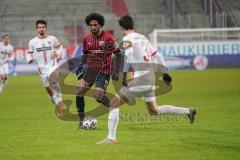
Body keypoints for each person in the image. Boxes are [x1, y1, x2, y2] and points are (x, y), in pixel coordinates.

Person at [96, 15, 197, 144]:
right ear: (133, 26)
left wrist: (124, 75)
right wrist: (165, 73)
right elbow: (158, 55)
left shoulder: (127, 39)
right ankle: (188, 111)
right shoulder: (143, 38)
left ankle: (111, 138)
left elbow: (128, 56)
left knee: (113, 103)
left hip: (141, 78)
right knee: (154, 110)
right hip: (151, 77)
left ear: (121, 29)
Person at [75, 13, 119, 128]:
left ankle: (113, 108)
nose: (93, 27)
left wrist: (116, 70)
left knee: (98, 95)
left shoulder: (109, 38)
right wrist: (81, 70)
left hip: (104, 71)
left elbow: (118, 54)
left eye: (95, 25)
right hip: (90, 71)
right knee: (79, 91)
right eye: (91, 25)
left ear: (100, 25)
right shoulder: (86, 39)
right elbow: (85, 54)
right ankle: (82, 121)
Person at [27, 20, 66, 116]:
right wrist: (29, 59)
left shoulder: (52, 39)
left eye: (43, 27)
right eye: (39, 27)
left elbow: (60, 48)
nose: (41, 29)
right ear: (37, 29)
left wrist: (57, 53)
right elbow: (29, 53)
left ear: (46, 28)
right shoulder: (32, 42)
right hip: (41, 69)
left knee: (53, 80)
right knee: (48, 90)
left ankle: (59, 102)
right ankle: (56, 103)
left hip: (53, 66)